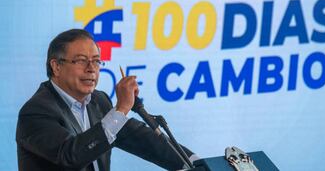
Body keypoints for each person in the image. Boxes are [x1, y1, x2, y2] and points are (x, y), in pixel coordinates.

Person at [16, 29, 195, 171]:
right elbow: (71, 156)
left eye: (96, 61)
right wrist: (121, 109)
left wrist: (198, 164)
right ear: (56, 66)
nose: (91, 69)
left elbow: (145, 141)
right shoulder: (35, 112)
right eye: (81, 61)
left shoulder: (98, 101)